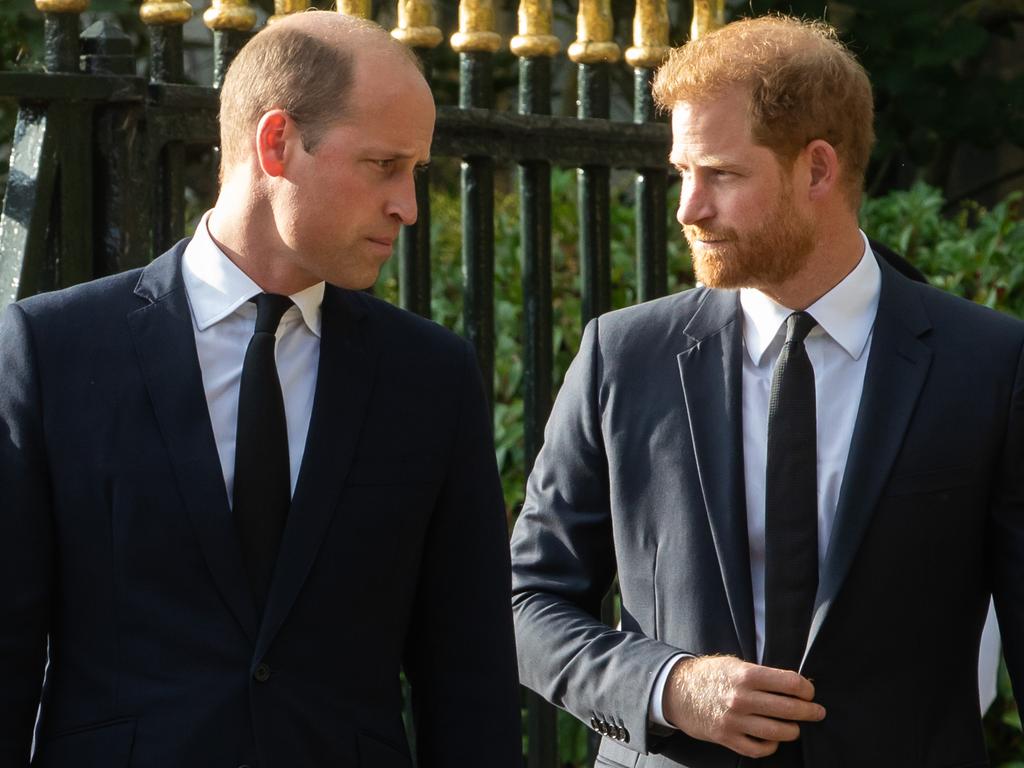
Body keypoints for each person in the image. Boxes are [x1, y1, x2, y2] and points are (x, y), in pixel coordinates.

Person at [0, 12, 522, 767]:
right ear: (276, 143)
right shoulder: (53, 351)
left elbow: (468, 676)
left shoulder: (431, 379)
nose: (408, 205)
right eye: (384, 165)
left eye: (417, 172)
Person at [510, 14, 1024, 768]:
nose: (688, 208)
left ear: (817, 169)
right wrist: (667, 684)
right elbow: (526, 601)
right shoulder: (623, 356)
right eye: (683, 172)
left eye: (720, 174)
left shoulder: (989, 364)